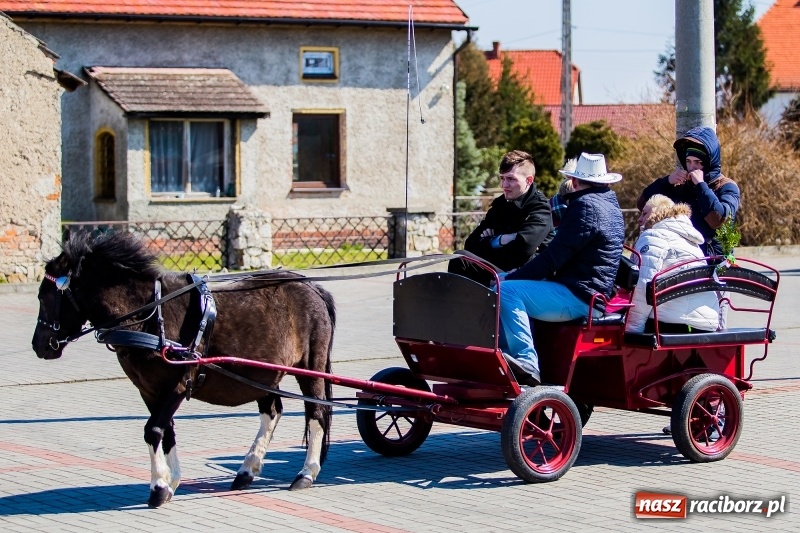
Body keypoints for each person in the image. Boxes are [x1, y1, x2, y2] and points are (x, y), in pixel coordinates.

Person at [498, 153, 625, 386]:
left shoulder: (585, 206)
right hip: (587, 291)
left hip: (579, 295)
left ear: (574, 182)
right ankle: (509, 356)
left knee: (505, 291)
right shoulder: (609, 205)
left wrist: (510, 277)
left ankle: (525, 361)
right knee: (509, 287)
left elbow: (553, 258)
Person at [449, 150, 553, 286]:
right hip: (501, 269)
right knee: (460, 257)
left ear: (528, 180)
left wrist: (489, 244)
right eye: (502, 178)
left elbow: (523, 250)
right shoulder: (501, 204)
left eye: (511, 179)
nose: (504, 185)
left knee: (461, 260)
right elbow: (471, 244)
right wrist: (500, 240)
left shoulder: (539, 208)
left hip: (525, 276)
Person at [637, 126, 740, 258]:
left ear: (708, 163)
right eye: (688, 161)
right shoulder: (680, 185)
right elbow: (643, 205)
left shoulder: (727, 186)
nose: (692, 167)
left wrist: (701, 186)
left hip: (714, 261)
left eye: (698, 162)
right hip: (683, 258)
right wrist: (666, 182)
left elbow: (716, 220)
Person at [626, 194, 720, 334]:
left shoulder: (653, 236)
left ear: (656, 213)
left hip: (671, 322)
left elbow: (642, 287)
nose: (639, 219)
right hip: (706, 323)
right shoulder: (691, 240)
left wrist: (632, 330)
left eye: (644, 213)